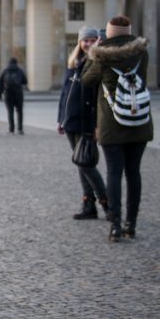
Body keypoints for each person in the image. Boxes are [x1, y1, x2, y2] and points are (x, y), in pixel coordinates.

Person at [82, 15, 153, 242]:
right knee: (134, 172)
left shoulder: (101, 55)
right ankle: (131, 224)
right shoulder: (141, 52)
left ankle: (114, 224)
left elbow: (87, 80)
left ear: (109, 33)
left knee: (114, 172)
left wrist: (96, 55)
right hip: (139, 120)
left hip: (112, 123)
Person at [57, 27, 108, 220]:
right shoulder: (74, 64)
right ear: (79, 43)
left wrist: (97, 125)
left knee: (86, 164)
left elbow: (99, 99)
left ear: (98, 42)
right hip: (70, 121)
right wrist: (60, 119)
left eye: (92, 40)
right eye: (85, 40)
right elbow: (65, 95)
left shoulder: (96, 63)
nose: (87, 44)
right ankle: (89, 205)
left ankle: (107, 202)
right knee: (80, 163)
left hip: (86, 122)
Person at [0, 58, 28, 134]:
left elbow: (0, 82)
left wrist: (1, 93)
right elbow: (25, 81)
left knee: (10, 112)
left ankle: (11, 129)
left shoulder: (5, 71)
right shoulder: (20, 71)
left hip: (8, 94)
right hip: (18, 93)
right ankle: (20, 129)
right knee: (19, 112)